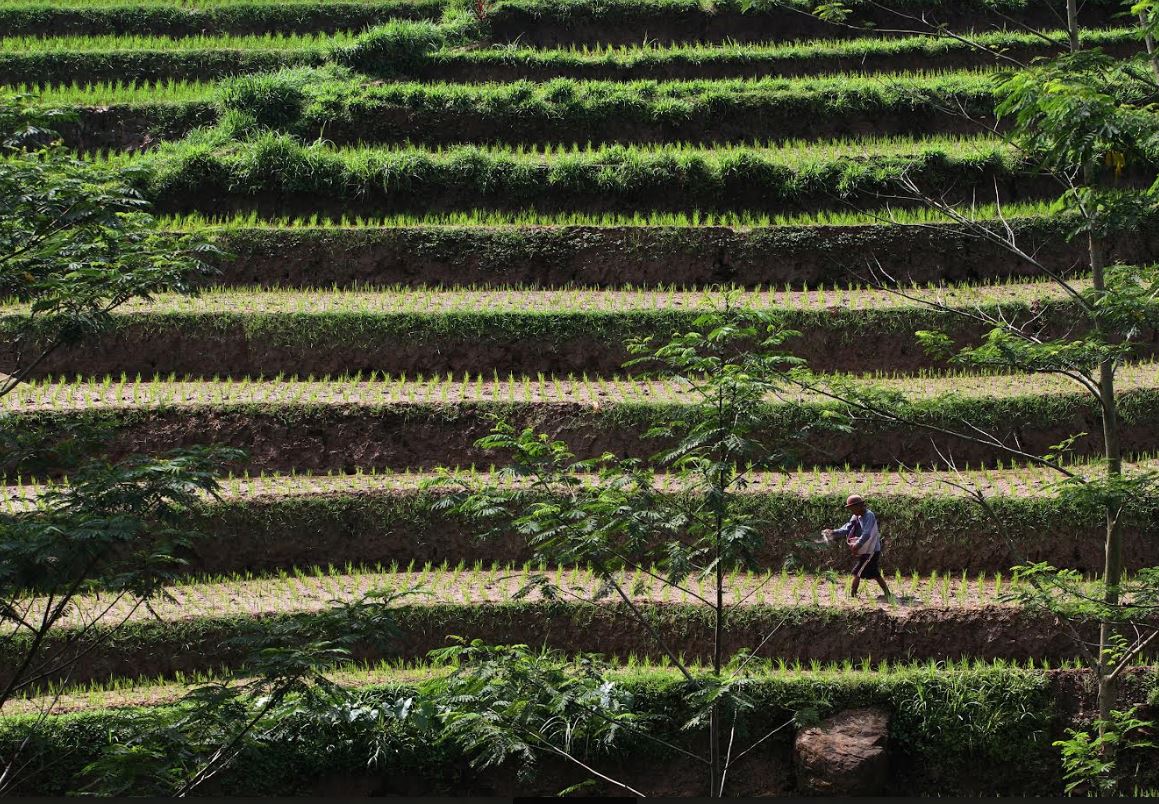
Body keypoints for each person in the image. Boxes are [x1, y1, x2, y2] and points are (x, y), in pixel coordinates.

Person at [822, 494, 895, 602]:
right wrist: (833, 532)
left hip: (871, 550)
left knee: (857, 572)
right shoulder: (856, 516)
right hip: (866, 549)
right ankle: (887, 594)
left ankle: (853, 595)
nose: (851, 510)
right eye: (850, 508)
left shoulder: (869, 515)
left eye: (852, 508)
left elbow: (866, 533)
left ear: (860, 506)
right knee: (875, 573)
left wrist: (857, 545)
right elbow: (847, 528)